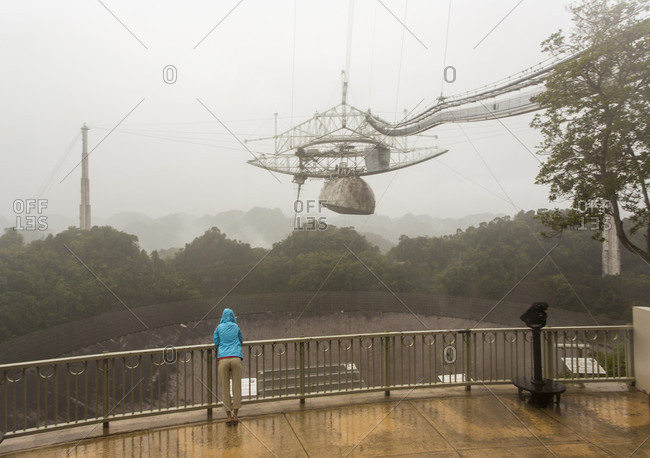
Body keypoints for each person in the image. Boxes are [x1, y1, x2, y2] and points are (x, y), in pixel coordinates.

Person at [213, 308, 243, 426]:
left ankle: (228, 417)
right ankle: (236, 416)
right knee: (236, 387)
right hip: (236, 358)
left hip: (223, 359)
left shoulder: (219, 328)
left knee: (225, 388)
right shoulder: (236, 327)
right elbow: (241, 339)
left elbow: (216, 342)